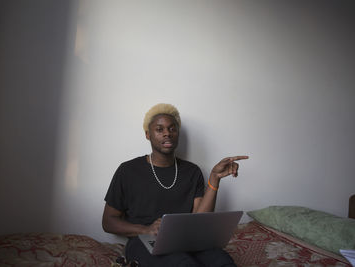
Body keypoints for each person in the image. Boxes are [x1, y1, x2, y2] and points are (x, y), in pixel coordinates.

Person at [102, 103, 248, 267]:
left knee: (223, 261)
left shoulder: (192, 171)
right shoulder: (128, 171)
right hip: (143, 241)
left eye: (172, 129)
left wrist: (214, 179)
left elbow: (200, 220)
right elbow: (108, 221)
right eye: (159, 129)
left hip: (187, 240)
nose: (167, 134)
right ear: (148, 134)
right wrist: (145, 230)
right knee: (182, 263)